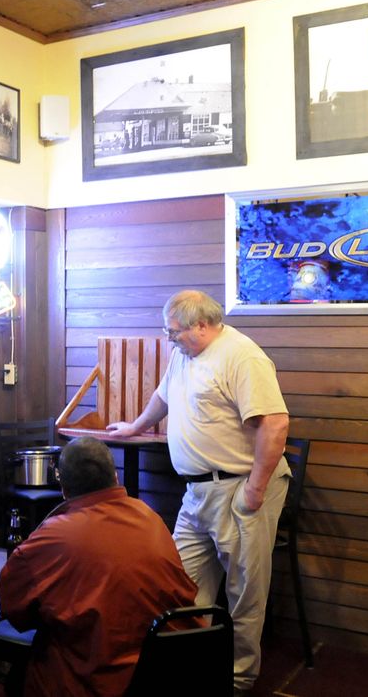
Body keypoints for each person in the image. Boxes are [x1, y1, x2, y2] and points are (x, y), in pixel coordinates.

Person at [106, 289, 290, 694]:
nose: (170, 340)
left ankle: (239, 681)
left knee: (244, 592)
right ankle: (193, 673)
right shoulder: (185, 354)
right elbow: (163, 396)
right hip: (197, 491)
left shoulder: (243, 356)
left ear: (202, 326)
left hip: (239, 486)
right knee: (180, 584)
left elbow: (275, 424)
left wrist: (255, 490)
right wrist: (136, 426)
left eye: (174, 333)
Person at [0, 436, 200, 696]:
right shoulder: (150, 517)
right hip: (171, 672)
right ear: (115, 477)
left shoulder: (54, 535)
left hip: (98, 680)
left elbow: (13, 608)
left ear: (63, 487)